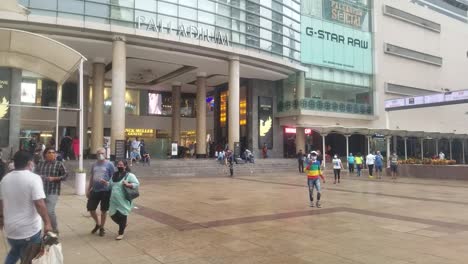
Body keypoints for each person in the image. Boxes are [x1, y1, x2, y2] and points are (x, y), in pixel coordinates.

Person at [0, 151, 52, 264]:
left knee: (15, 252)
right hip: (28, 231)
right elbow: (39, 203)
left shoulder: (5, 179)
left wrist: (1, 219)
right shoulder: (34, 178)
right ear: (29, 163)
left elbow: (1, 202)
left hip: (11, 231)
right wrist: (47, 223)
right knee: (29, 258)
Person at [103, 160, 139, 240]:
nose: (119, 166)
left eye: (121, 165)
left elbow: (136, 184)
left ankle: (120, 233)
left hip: (123, 199)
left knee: (123, 215)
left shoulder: (129, 175)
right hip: (113, 200)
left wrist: (128, 184)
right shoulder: (114, 175)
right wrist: (106, 183)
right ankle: (122, 224)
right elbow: (110, 185)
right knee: (112, 214)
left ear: (125, 166)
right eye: (118, 164)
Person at [35, 147, 68, 234]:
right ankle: (46, 227)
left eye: (53, 152)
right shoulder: (41, 164)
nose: (52, 154)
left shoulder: (59, 164)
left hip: (53, 191)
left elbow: (65, 176)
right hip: (40, 191)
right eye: (49, 152)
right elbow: (35, 175)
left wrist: (55, 178)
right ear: (45, 154)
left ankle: (54, 229)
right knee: (41, 211)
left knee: (49, 211)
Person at [87, 148, 115, 237]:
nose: (100, 155)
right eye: (99, 153)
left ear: (105, 154)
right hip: (95, 190)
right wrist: (88, 189)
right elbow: (92, 177)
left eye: (102, 153)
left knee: (103, 210)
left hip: (105, 190)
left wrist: (108, 183)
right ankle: (98, 223)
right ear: (96, 155)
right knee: (91, 209)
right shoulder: (94, 164)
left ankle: (102, 227)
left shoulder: (110, 164)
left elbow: (113, 177)